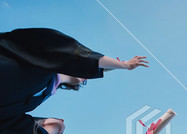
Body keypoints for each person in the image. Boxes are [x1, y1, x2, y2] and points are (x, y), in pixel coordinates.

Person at [0, 27, 149, 124]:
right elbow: (75, 54)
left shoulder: (40, 96)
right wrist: (124, 65)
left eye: (85, 79)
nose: (85, 77)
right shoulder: (43, 55)